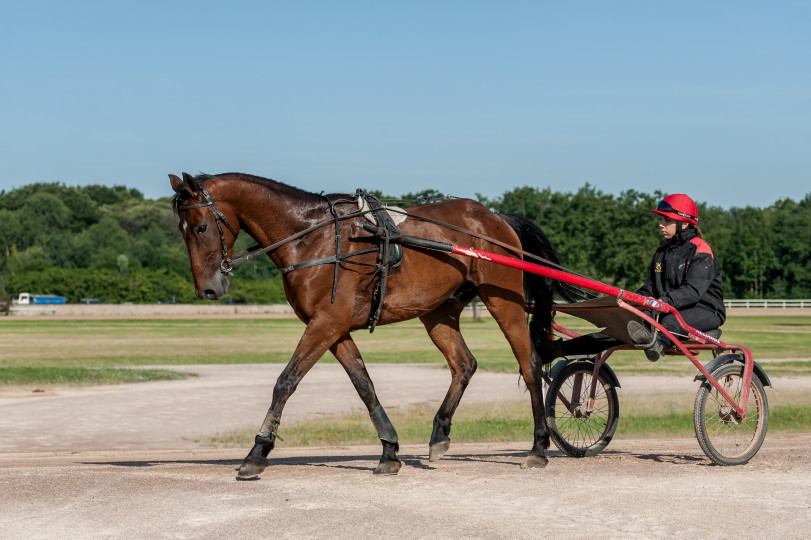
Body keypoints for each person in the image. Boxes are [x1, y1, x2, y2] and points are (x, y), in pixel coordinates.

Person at [548, 193, 726, 362]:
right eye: (661, 219)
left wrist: (660, 303)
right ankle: (559, 350)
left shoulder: (700, 250)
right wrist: (634, 302)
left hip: (705, 309)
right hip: (667, 308)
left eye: (667, 220)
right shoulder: (661, 252)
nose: (661, 224)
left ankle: (656, 345)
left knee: (669, 321)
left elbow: (692, 291)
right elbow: (650, 287)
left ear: (684, 224)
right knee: (623, 327)